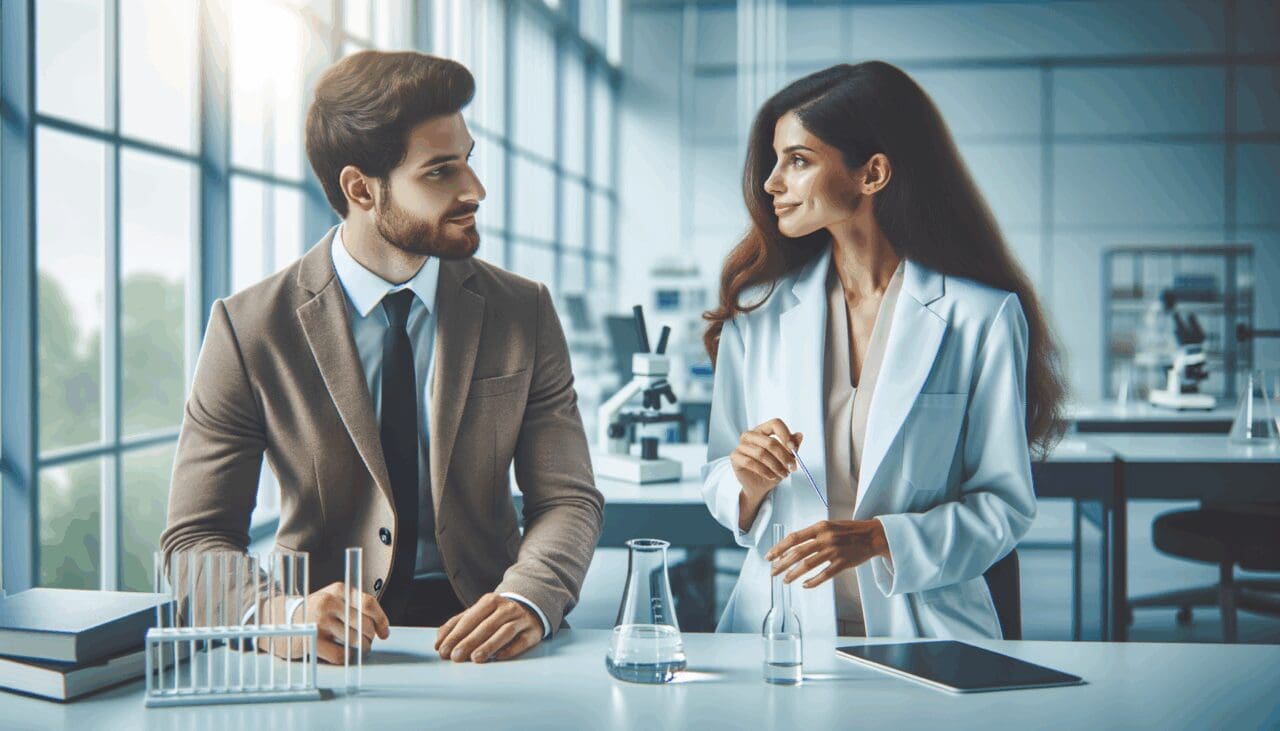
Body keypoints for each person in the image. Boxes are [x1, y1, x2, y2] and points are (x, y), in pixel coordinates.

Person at [161, 51, 603, 664]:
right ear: (361, 189)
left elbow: (567, 498)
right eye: (440, 172)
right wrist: (279, 617)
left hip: (490, 632)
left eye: (468, 161)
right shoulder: (249, 329)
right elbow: (194, 538)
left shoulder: (522, 310)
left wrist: (529, 597)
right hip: (322, 645)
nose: (475, 190)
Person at [700, 62, 1066, 639]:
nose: (771, 183)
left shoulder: (981, 317)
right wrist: (745, 479)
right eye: (775, 160)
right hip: (779, 627)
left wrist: (880, 539)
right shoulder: (758, 312)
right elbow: (719, 477)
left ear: (871, 173)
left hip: (926, 632)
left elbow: (1004, 506)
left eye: (798, 161)